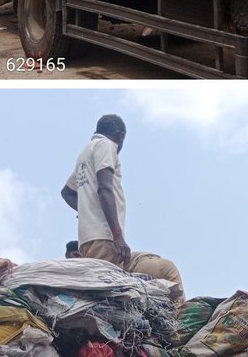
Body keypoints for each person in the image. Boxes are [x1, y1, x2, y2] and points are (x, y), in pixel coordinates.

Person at [61, 114, 185, 303]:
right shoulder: (106, 146)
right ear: (120, 136)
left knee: (163, 268)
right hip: (105, 237)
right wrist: (118, 235)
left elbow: (67, 192)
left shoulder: (85, 153)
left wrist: (86, 211)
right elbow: (105, 189)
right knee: (113, 295)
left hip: (90, 239)